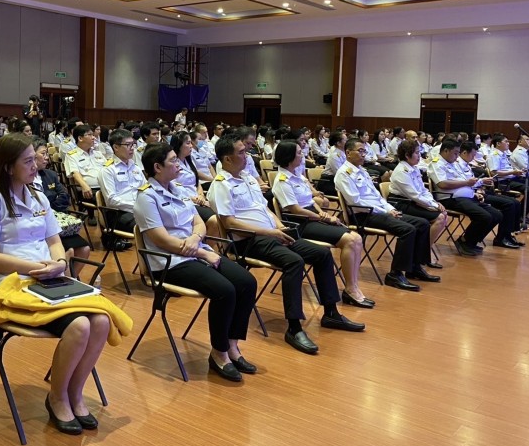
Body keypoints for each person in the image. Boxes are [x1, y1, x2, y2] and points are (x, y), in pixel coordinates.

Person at [0, 133, 114, 434]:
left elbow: (54, 241)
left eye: (34, 160)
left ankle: (75, 393)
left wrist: (60, 262)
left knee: (101, 321)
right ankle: (57, 398)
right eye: (27, 161)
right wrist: (36, 268)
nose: (35, 165)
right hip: (12, 284)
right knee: (80, 325)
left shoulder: (38, 197)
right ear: (8, 167)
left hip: (48, 278)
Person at [208, 135, 364, 356]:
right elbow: (229, 223)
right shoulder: (221, 185)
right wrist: (270, 232)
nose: (247, 155)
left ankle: (331, 312)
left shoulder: (248, 179)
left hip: (272, 234)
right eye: (241, 152)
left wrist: (280, 226)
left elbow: (265, 208)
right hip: (248, 241)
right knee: (294, 261)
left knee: (321, 254)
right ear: (227, 159)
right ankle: (294, 327)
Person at [135, 142, 258, 382]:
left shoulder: (179, 189)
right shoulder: (146, 197)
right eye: (173, 160)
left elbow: (198, 222)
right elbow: (161, 240)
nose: (179, 164)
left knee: (246, 282)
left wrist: (195, 240)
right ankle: (219, 353)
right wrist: (202, 253)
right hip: (169, 263)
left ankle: (232, 345)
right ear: (157, 167)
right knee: (225, 291)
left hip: (194, 251)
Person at [272, 141, 372, 308]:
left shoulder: (298, 176)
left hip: (313, 216)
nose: (302, 155)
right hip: (301, 223)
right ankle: (351, 289)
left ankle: (353, 286)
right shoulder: (282, 180)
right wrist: (322, 217)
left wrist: (323, 213)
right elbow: (295, 209)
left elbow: (310, 201)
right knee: (350, 240)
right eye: (299, 153)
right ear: (289, 157)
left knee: (356, 238)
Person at [334, 137, 438, 292]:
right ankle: (395, 274)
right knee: (408, 230)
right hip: (363, 215)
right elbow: (356, 202)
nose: (363, 154)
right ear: (348, 153)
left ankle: (414, 267)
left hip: (379, 211)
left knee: (422, 223)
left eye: (364, 151)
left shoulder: (362, 171)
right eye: (360, 151)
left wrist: (389, 209)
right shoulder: (344, 173)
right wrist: (385, 211)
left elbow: (378, 197)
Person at [428, 139, 522, 251]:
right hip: (451, 199)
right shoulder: (436, 163)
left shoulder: (453, 164)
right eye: (455, 153)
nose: (457, 156)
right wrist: (467, 184)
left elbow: (467, 181)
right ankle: (465, 242)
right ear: (446, 151)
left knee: (497, 215)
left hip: (468, 197)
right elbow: (442, 184)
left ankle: (470, 241)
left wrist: (475, 191)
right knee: (485, 216)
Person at [31, 138, 91, 263]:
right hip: (37, 225)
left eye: (47, 153)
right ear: (31, 155)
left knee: (84, 249)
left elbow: (64, 196)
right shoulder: (24, 179)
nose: (47, 157)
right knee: (67, 252)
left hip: (57, 220)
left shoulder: (50, 174)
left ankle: (67, 273)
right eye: (43, 153)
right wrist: (52, 201)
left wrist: (51, 206)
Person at [387, 139, 449, 256]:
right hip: (400, 203)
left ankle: (423, 252)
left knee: (443, 215)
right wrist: (433, 205)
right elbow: (414, 195)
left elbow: (423, 190)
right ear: (407, 155)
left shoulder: (414, 168)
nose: (419, 155)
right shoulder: (401, 171)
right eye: (416, 153)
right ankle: (422, 253)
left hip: (412, 201)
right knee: (440, 218)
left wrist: (433, 202)